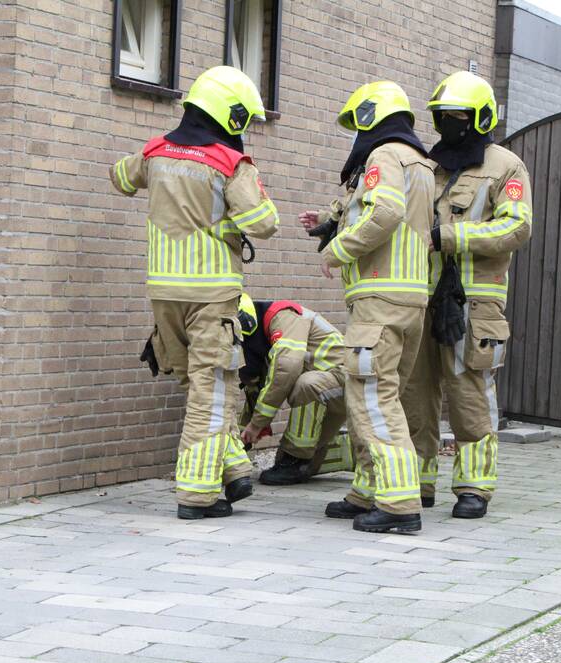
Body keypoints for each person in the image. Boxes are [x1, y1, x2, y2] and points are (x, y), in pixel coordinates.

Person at [110, 66, 279, 520]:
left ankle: (234, 469)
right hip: (212, 293)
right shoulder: (230, 163)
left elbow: (121, 178)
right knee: (214, 390)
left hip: (163, 291)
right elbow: (265, 223)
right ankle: (198, 493)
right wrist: (224, 221)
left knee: (196, 384)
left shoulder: (157, 150)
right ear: (232, 115)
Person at [299, 81, 435, 533]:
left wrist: (337, 250)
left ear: (369, 118)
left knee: (374, 399)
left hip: (380, 300)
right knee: (375, 394)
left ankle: (398, 505)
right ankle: (367, 490)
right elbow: (370, 207)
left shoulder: (383, 156)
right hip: (409, 300)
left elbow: (385, 214)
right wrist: (326, 220)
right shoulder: (420, 161)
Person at [404, 71, 532, 519]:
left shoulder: (505, 166)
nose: (448, 125)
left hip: (474, 304)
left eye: (458, 116)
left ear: (480, 119)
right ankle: (416, 483)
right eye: (442, 117)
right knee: (413, 392)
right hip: (419, 297)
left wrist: (452, 237)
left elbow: (517, 226)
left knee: (468, 392)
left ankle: (474, 487)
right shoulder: (426, 163)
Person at [235, 293, 353, 484]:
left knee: (306, 384)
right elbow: (256, 394)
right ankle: (351, 454)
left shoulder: (283, 316)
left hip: (348, 381)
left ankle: (297, 460)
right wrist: (238, 444)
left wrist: (258, 423)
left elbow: (287, 367)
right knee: (283, 464)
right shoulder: (262, 347)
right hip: (328, 388)